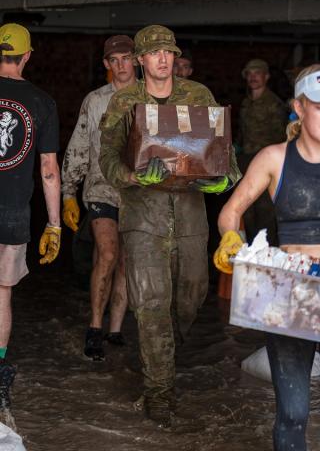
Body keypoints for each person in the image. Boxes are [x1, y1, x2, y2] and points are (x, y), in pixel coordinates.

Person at [98, 24, 241, 427]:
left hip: (192, 219)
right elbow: (106, 160)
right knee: (152, 306)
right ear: (140, 60)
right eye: (155, 53)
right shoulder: (124, 101)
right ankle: (158, 393)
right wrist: (132, 176)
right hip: (144, 220)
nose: (164, 59)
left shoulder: (198, 96)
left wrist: (225, 178)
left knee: (191, 298)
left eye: (169, 53)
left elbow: (223, 151)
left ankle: (162, 358)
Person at [214, 63, 320, 451]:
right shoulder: (274, 159)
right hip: (292, 290)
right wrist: (231, 237)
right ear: (300, 107)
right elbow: (231, 210)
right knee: (293, 413)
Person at [62, 35, 136, 361]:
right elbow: (79, 144)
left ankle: (115, 329)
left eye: (126, 58)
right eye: (114, 60)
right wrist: (68, 191)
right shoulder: (95, 101)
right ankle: (95, 326)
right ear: (107, 64)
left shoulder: (152, 97)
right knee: (106, 253)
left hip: (138, 191)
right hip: (101, 187)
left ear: (135, 59)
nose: (121, 65)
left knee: (125, 261)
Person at [0, 23, 61, 409]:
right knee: (1, 293)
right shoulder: (41, 102)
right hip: (12, 214)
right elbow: (49, 168)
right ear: (27, 57)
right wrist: (53, 224)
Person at [238, 58, 288, 245]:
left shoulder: (275, 104)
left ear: (266, 77)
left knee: (266, 214)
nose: (253, 77)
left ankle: (268, 258)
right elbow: (242, 134)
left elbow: (282, 138)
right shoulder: (246, 103)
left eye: (257, 73)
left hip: (267, 164)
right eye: (249, 74)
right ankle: (251, 254)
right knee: (246, 211)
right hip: (246, 162)